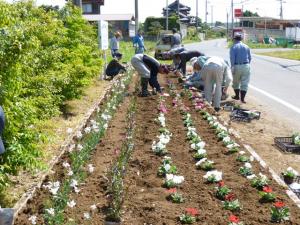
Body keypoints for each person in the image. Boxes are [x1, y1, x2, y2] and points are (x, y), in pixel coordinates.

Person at [230, 32, 252, 103]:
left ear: (235, 39)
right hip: (246, 65)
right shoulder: (246, 46)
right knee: (245, 82)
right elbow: (250, 57)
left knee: (236, 82)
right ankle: (242, 99)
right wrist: (247, 65)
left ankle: (237, 96)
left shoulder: (233, 47)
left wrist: (232, 67)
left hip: (237, 66)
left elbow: (232, 58)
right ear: (241, 39)